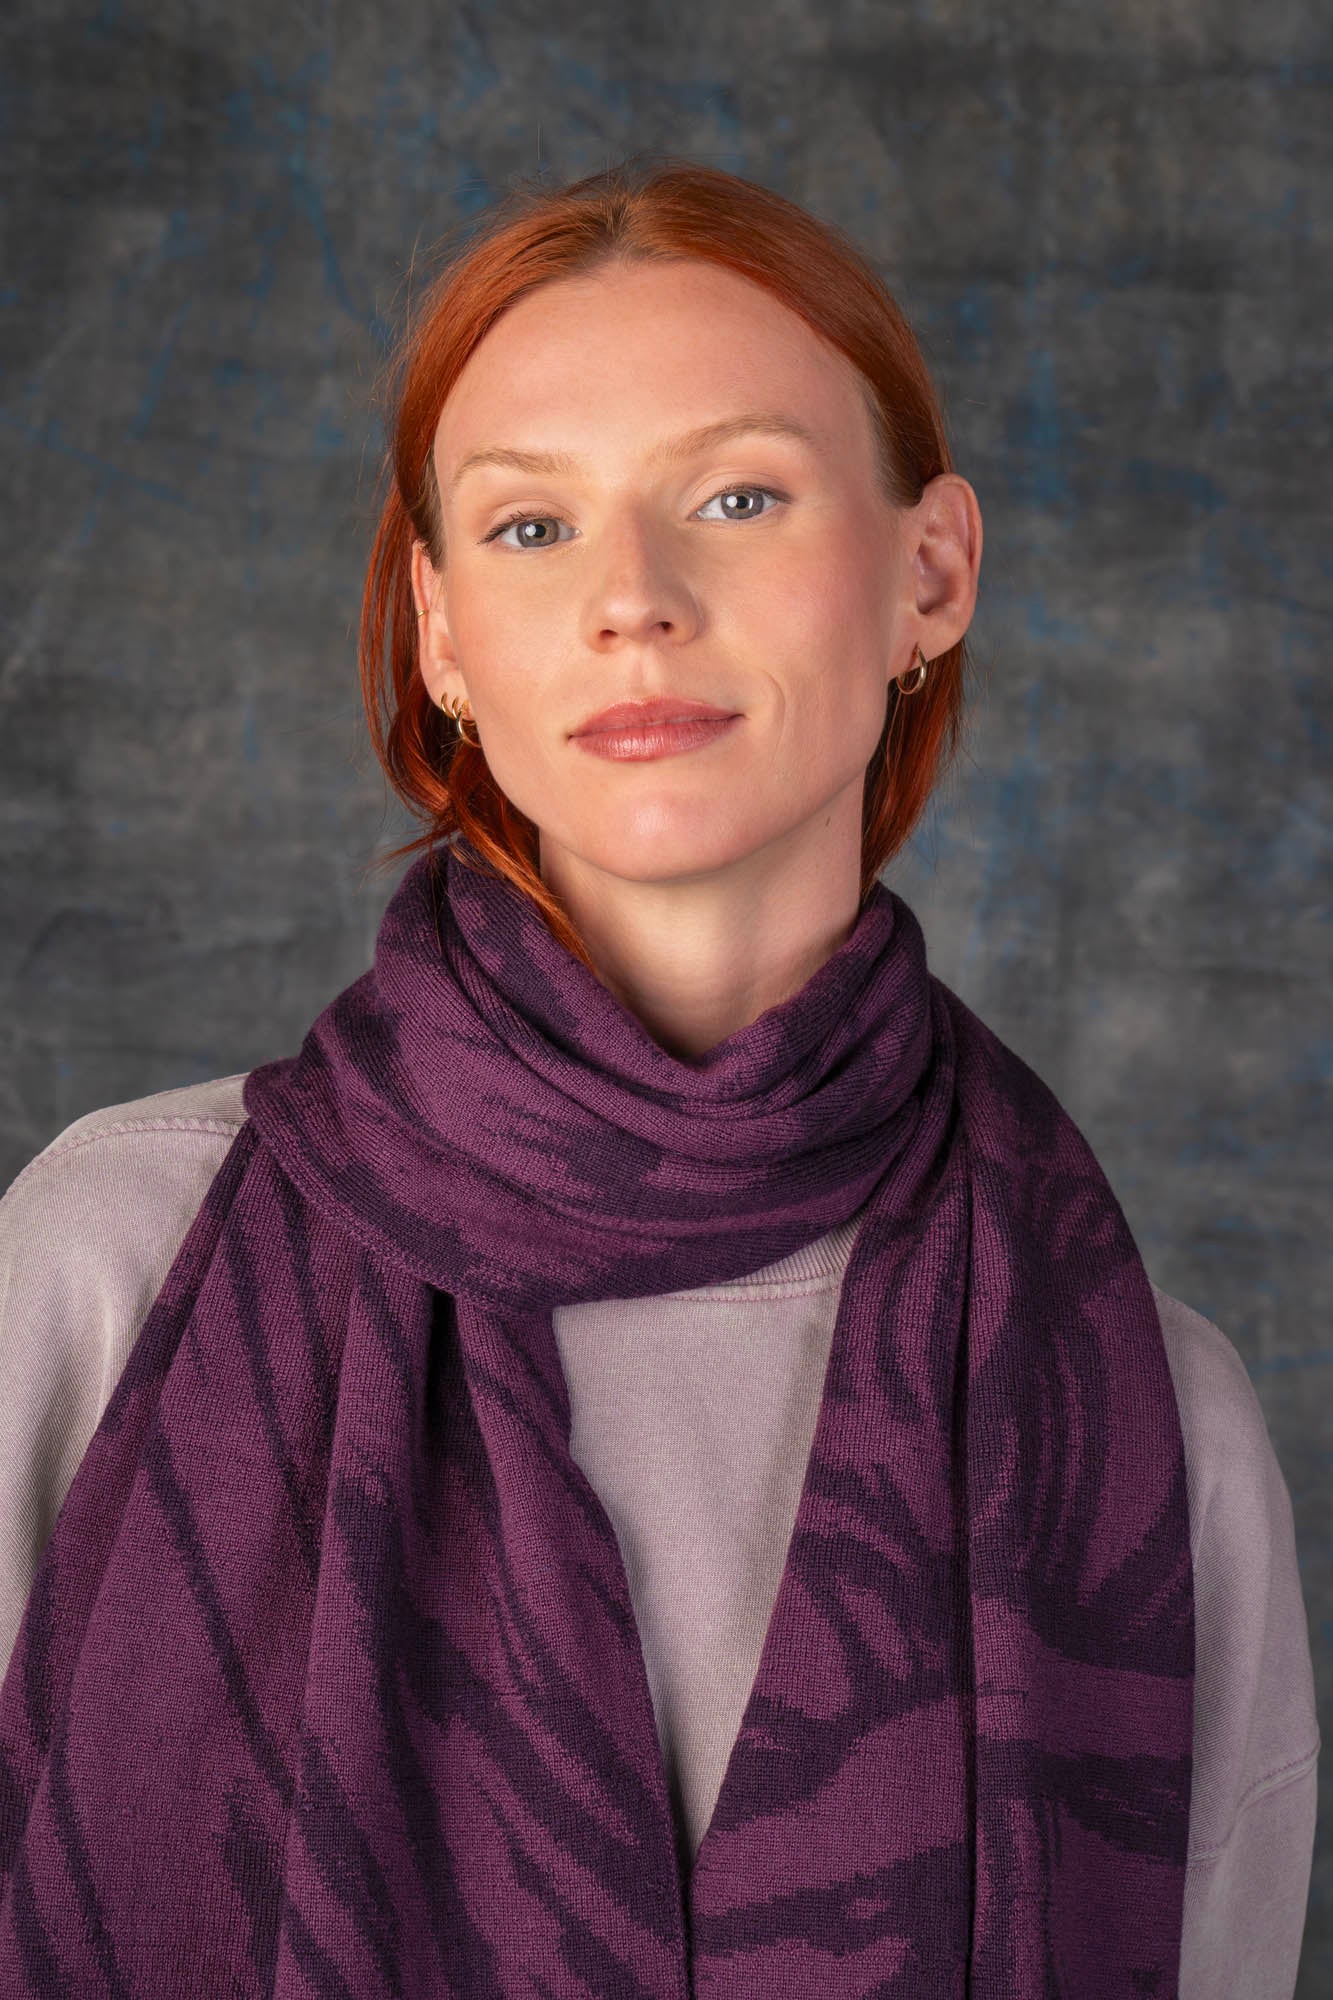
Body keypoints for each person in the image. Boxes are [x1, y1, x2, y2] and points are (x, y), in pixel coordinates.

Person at [0, 156, 1317, 1997]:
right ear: (444, 632)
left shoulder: (1144, 1417)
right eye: (533, 528)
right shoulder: (109, 1268)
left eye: (737, 494)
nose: (636, 596)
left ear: (929, 573)